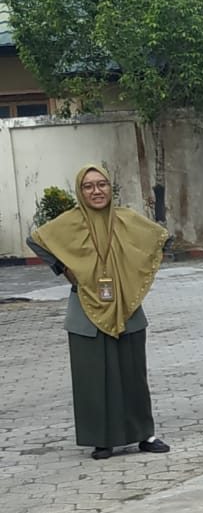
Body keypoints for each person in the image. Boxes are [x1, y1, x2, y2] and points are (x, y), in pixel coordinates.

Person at [27, 165, 171, 460]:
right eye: (89, 186)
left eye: (102, 184)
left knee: (133, 375)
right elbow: (35, 240)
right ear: (80, 192)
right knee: (93, 378)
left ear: (110, 188)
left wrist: (133, 267)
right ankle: (102, 440)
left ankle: (144, 434)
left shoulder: (126, 220)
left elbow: (159, 238)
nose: (96, 191)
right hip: (85, 311)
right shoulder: (69, 223)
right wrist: (64, 268)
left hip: (126, 305)